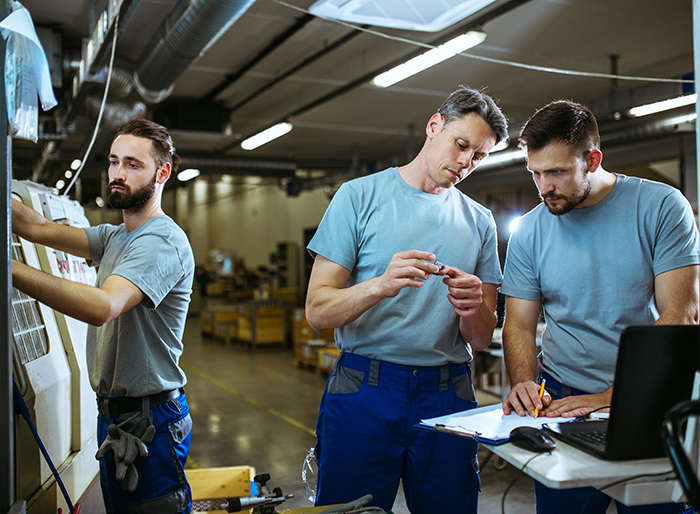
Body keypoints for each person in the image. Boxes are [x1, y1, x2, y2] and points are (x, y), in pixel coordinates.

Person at [305, 85, 508, 514]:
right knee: (351, 510)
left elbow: (484, 337)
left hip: (447, 391)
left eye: (479, 156)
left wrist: (473, 308)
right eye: (461, 145)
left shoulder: (480, 221)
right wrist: (381, 284)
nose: (465, 163)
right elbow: (318, 311)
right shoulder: (358, 197)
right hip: (366, 388)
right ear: (435, 126)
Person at [500, 100, 699, 513]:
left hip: (648, 403)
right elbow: (518, 324)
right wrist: (522, 382)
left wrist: (612, 396)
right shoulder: (530, 230)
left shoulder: (661, 207)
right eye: (535, 173)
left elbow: (681, 317)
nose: (544, 187)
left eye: (556, 172)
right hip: (559, 401)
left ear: (592, 159)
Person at [11, 119, 195, 514]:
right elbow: (39, 227)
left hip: (151, 422)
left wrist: (9, 269)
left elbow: (102, 307)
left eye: (132, 164)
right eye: (113, 162)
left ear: (161, 173)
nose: (117, 174)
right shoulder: (117, 237)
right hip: (115, 416)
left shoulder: (162, 240)